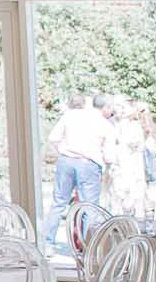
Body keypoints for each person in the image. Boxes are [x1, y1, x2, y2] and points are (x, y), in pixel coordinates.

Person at [46, 92, 113, 250]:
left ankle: (47, 243)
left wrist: (63, 151)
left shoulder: (70, 116)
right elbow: (109, 156)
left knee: (58, 203)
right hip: (88, 164)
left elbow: (53, 138)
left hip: (66, 161)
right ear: (105, 108)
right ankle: (86, 247)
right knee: (88, 207)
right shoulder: (104, 124)